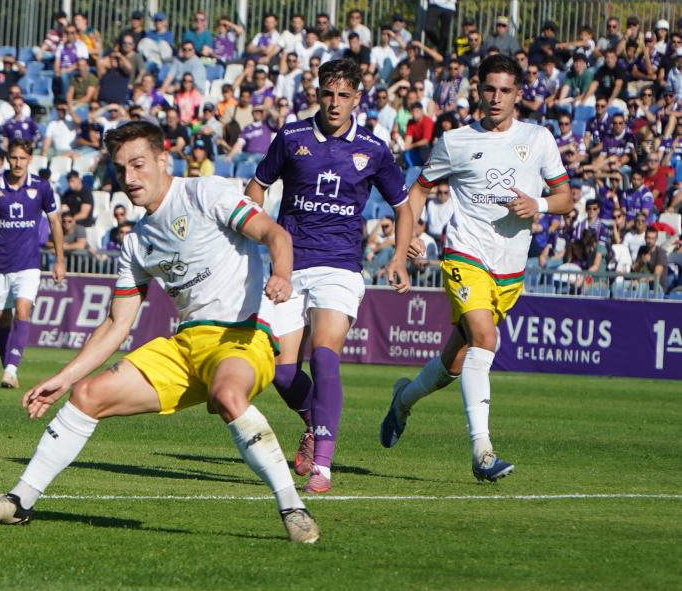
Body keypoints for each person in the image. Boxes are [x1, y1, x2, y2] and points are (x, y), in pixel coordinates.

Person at [0, 121, 314, 541]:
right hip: (186, 346)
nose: (130, 177)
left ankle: (293, 507)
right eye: (121, 169)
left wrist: (282, 273)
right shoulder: (136, 242)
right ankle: (20, 501)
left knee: (228, 396)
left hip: (241, 337)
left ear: (163, 160)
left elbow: (273, 232)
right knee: (87, 395)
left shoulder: (205, 192)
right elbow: (116, 323)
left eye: (138, 164)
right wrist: (64, 379)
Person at [381, 55, 573, 481]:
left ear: (518, 94)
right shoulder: (456, 141)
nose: (496, 97)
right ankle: (482, 452)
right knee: (486, 338)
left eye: (505, 90)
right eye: (489, 89)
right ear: (478, 91)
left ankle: (403, 400)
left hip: (510, 269)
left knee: (455, 362)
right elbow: (418, 192)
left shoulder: (538, 138)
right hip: (465, 255)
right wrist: (407, 237)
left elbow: (566, 198)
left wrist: (538, 204)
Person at [243, 59, 410, 493]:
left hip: (340, 265)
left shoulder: (373, 148)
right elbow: (256, 188)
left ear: (358, 98)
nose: (335, 103)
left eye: (344, 95)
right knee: (281, 373)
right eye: (328, 94)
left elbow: (403, 206)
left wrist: (398, 257)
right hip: (289, 266)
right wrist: (253, 230)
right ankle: (314, 424)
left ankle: (323, 466)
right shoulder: (292, 137)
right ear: (317, 93)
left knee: (324, 356)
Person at [0, 139, 66, 389]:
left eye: (22, 158)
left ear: (30, 159)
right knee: (1, 317)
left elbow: (55, 223)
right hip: (0, 263)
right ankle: (9, 369)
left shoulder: (41, 186)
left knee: (23, 312)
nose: (18, 163)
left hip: (29, 263)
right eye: (14, 158)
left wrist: (60, 260)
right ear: (8, 159)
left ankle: (10, 370)